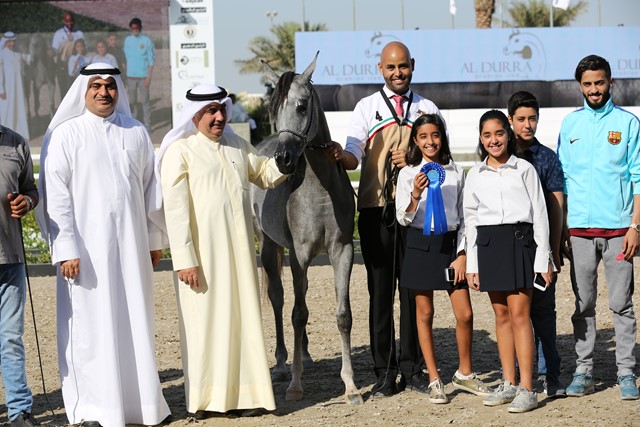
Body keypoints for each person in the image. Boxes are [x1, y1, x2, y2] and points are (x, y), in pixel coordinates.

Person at [35, 63, 170, 426]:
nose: (103, 92)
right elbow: (55, 197)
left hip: (132, 249)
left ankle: (142, 407)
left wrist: (153, 240)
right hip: (85, 254)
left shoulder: (136, 131)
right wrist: (65, 248)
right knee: (91, 328)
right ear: (83, 90)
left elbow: (151, 191)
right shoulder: (66, 134)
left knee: (135, 322)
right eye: (95, 85)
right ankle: (93, 410)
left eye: (110, 85)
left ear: (118, 90)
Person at [157, 84, 286, 418]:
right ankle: (206, 401)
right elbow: (175, 211)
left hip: (240, 258)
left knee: (242, 323)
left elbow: (265, 173)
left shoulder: (236, 144)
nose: (218, 117)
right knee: (206, 325)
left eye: (221, 110)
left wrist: (287, 160)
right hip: (202, 259)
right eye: (210, 111)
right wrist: (184, 260)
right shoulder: (180, 151)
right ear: (194, 115)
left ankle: (247, 396)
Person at [328, 41, 445, 397]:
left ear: (412, 65)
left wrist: (411, 157)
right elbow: (354, 153)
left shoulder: (427, 107)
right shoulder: (366, 107)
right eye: (391, 67)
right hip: (375, 210)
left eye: (403, 66)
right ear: (380, 68)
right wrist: (340, 156)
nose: (397, 73)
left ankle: (413, 368)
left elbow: (441, 154)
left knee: (414, 292)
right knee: (380, 292)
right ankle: (384, 371)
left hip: (417, 212)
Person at [558, 54, 640, 401]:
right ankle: (584, 371)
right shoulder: (570, 124)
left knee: (621, 304)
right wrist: (562, 228)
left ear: (611, 82)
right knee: (583, 304)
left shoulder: (628, 123)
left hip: (620, 231)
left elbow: (638, 177)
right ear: (580, 86)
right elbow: (562, 180)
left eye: (599, 82)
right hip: (579, 231)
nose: (594, 89)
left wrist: (635, 226)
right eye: (588, 84)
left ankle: (626, 372)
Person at [395, 114, 490, 404]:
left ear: (442, 137)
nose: (430, 142)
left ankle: (465, 373)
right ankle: (435, 379)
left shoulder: (456, 172)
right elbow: (402, 218)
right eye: (423, 136)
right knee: (424, 314)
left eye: (435, 135)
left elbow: (464, 217)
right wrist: (415, 194)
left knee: (465, 314)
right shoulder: (407, 174)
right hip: (419, 245)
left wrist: (462, 254)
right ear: (415, 140)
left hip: (450, 247)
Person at [464, 110, 553, 413]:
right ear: (481, 138)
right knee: (500, 315)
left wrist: (543, 259)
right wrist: (472, 264)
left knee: (519, 316)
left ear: (508, 134)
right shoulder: (474, 174)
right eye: (487, 135)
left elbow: (540, 215)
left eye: (499, 133)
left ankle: (527, 388)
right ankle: (509, 382)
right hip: (488, 246)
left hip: (519, 243)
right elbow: (470, 220)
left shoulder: (524, 169)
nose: (494, 140)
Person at [507, 91, 566, 398]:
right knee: (514, 313)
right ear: (510, 120)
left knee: (543, 311)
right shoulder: (502, 156)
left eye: (532, 118)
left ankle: (550, 373)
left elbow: (556, 207)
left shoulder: (548, 159)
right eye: (521, 119)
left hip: (539, 246)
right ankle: (516, 374)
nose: (527, 125)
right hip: (508, 249)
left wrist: (552, 252)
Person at [0, 125, 39, 427]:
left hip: (10, 258)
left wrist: (27, 202)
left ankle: (19, 411)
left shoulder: (16, 142)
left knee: (11, 338)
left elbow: (31, 189)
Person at [123, 17, 154, 130]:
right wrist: (125, 75)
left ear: (140, 28)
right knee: (132, 101)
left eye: (136, 28)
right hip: (130, 77)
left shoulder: (147, 41)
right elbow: (125, 59)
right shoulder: (127, 40)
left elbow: (151, 60)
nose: (135, 30)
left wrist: (148, 77)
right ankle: (133, 122)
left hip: (143, 77)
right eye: (133, 28)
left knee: (145, 101)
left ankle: (148, 124)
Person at [0, 32, 30, 140]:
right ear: (5, 42)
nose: (11, 44)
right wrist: (1, 89)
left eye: (13, 42)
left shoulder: (17, 54)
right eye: (9, 42)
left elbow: (30, 59)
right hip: (7, 90)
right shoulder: (2, 54)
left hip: (18, 89)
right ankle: (7, 135)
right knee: (7, 110)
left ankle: (19, 133)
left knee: (19, 109)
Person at [50, 11, 84, 97]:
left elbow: (83, 48)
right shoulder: (58, 34)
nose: (70, 24)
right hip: (63, 66)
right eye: (67, 22)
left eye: (71, 21)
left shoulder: (79, 33)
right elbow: (55, 49)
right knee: (64, 90)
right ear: (63, 21)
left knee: (77, 90)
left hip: (76, 65)